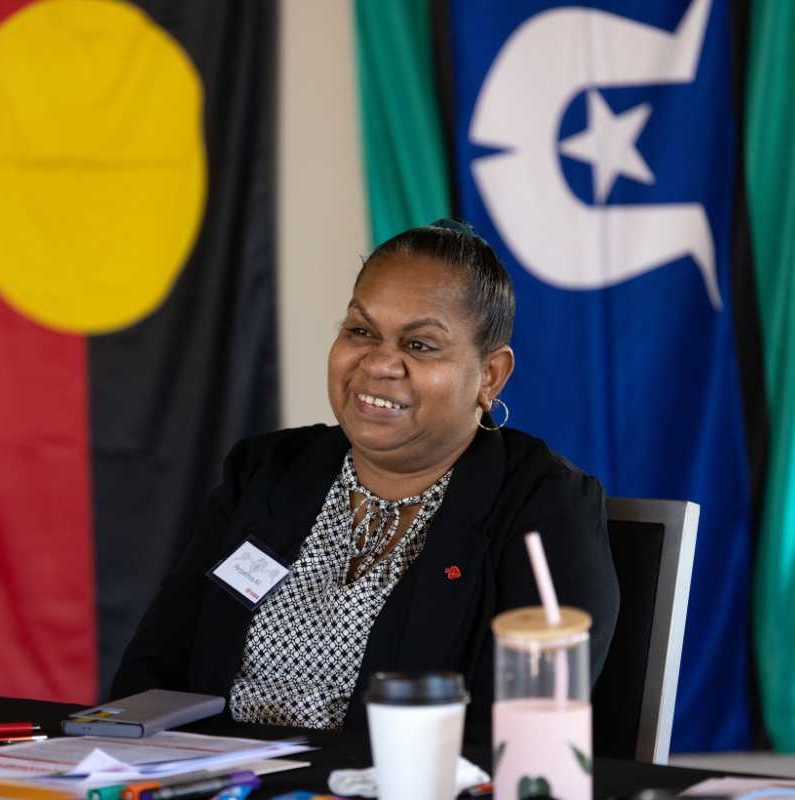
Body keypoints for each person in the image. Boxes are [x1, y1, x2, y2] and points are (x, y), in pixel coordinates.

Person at [112, 220, 619, 742]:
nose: (378, 363)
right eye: (361, 331)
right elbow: (154, 670)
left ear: (489, 376)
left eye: (420, 345)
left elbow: (521, 733)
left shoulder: (541, 503)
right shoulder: (267, 471)